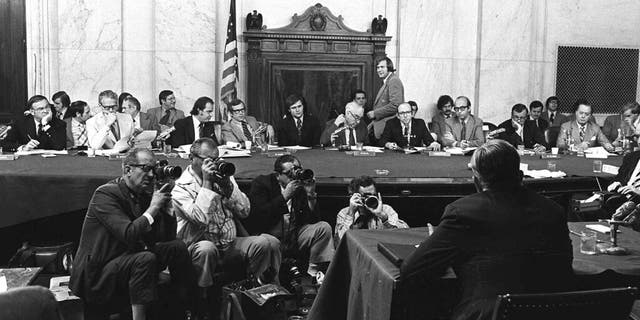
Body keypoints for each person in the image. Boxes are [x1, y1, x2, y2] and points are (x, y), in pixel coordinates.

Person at [400, 140, 574, 320]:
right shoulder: (553, 211)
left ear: (476, 179)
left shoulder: (463, 212)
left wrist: (438, 245)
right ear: (520, 175)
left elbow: (411, 270)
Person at [70, 148, 193, 320]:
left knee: (177, 247)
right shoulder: (106, 194)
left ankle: (184, 310)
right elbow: (129, 234)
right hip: (98, 273)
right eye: (146, 168)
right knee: (144, 259)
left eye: (154, 169)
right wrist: (153, 207)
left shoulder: (143, 194)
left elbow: (166, 238)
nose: (151, 175)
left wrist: (166, 207)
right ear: (128, 170)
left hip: (125, 258)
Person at [172, 138, 280, 317]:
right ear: (192, 158)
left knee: (265, 242)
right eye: (208, 160)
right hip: (199, 244)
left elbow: (245, 211)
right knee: (207, 249)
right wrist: (207, 184)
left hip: (229, 242)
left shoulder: (222, 177)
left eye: (216, 159)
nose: (214, 165)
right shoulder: (180, 188)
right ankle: (202, 304)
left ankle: (262, 298)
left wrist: (228, 187)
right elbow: (200, 219)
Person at [246, 155, 334, 282]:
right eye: (289, 174)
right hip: (270, 235)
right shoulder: (262, 183)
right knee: (270, 242)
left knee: (323, 227)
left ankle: (313, 275)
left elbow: (312, 221)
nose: (294, 177)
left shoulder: (300, 187)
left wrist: (310, 195)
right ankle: (275, 287)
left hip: (293, 236)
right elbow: (259, 216)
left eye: (297, 171)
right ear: (278, 175)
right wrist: (285, 196)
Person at [334, 175, 408, 244]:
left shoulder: (386, 210)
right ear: (354, 196)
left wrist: (384, 218)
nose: (371, 198)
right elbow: (340, 244)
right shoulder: (345, 213)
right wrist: (350, 214)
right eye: (366, 195)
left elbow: (404, 235)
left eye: (374, 195)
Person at [1, 95, 66, 151]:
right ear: (32, 112)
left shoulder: (59, 123)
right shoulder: (21, 123)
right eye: (41, 109)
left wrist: (45, 124)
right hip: (27, 161)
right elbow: (5, 143)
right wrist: (23, 147)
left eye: (47, 107)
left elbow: (60, 147)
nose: (46, 111)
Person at [367, 57, 404, 141]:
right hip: (382, 128)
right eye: (378, 67)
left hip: (388, 130)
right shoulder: (388, 81)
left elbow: (395, 105)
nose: (379, 70)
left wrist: (375, 113)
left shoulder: (393, 80)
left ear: (389, 68)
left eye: (382, 67)